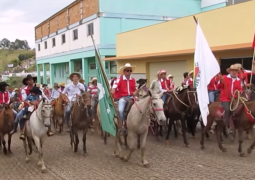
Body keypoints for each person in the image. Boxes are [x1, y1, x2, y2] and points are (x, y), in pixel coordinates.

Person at [111, 63, 136, 131]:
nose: (129, 72)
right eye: (127, 71)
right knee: (120, 110)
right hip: (123, 98)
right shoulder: (118, 79)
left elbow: (135, 89)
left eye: (130, 71)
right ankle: (121, 124)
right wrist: (113, 90)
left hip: (131, 97)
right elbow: (114, 88)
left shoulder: (133, 80)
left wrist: (135, 92)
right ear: (124, 71)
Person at [218, 64, 242, 134]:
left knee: (239, 109)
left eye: (235, 71)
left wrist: (239, 92)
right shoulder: (224, 77)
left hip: (234, 98)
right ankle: (227, 125)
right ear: (230, 71)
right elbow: (219, 86)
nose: (234, 72)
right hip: (225, 98)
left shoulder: (238, 80)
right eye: (232, 70)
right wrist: (221, 81)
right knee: (228, 110)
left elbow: (240, 89)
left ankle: (238, 124)